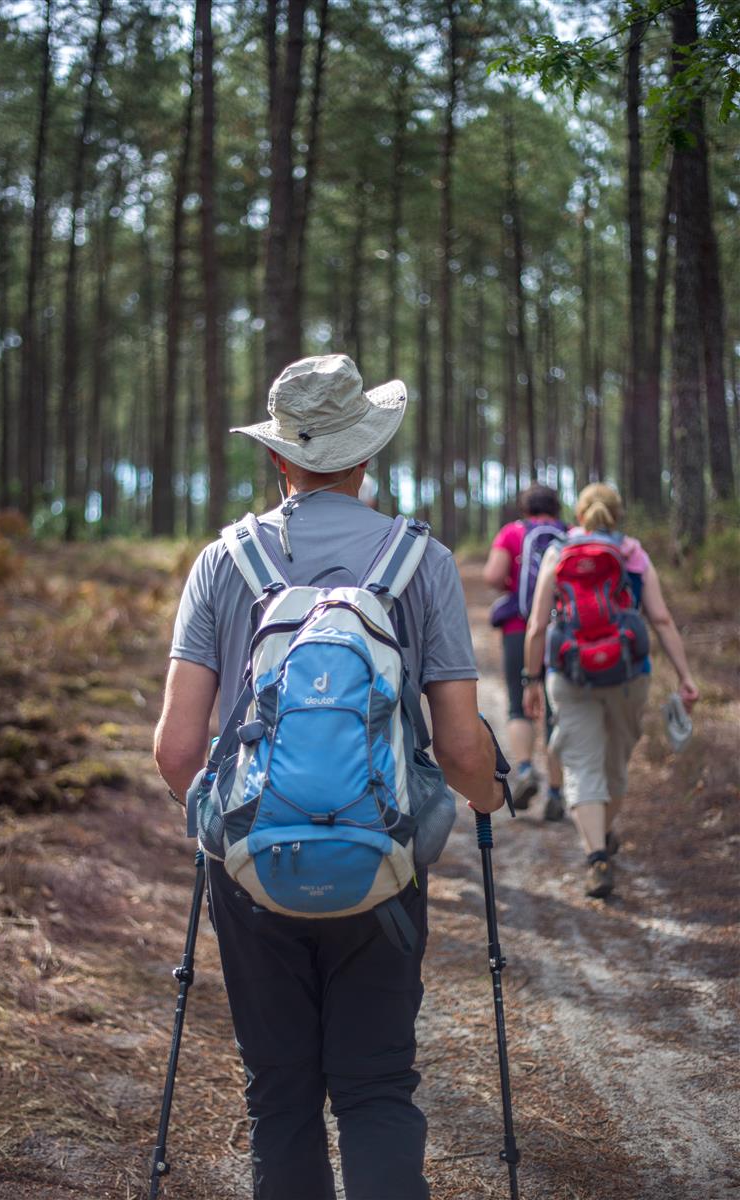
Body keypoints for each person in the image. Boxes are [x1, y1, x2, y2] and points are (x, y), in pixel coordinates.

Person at [154, 353, 502, 1200]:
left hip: (251, 874)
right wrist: (491, 799)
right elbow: (460, 748)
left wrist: (234, 825)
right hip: (381, 864)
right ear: (367, 453)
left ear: (280, 456)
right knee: (377, 1088)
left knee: (280, 1099)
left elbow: (175, 750)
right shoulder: (421, 561)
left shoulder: (221, 562)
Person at [522, 482, 699, 899]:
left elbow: (537, 625)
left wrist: (531, 680)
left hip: (569, 672)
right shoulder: (633, 553)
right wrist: (685, 675)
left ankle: (596, 855)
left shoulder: (558, 551)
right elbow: (661, 618)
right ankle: (603, 836)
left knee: (581, 764)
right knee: (616, 765)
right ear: (616, 515)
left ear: (579, 515)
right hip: (628, 673)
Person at [483, 483, 566, 818]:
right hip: (561, 633)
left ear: (524, 507)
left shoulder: (512, 533)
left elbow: (493, 575)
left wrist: (511, 585)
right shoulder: (569, 534)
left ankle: (528, 771)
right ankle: (557, 793)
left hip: (520, 628)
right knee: (556, 711)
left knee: (520, 704)